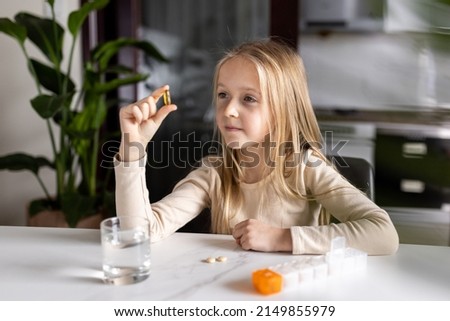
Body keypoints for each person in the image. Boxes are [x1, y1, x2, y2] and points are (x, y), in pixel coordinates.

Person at [114, 39, 399, 255]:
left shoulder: (305, 169)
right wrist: (132, 147)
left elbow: (383, 233)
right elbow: (138, 232)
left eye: (248, 98)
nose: (228, 110)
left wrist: (281, 238)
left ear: (282, 110)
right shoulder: (215, 173)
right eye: (223, 94)